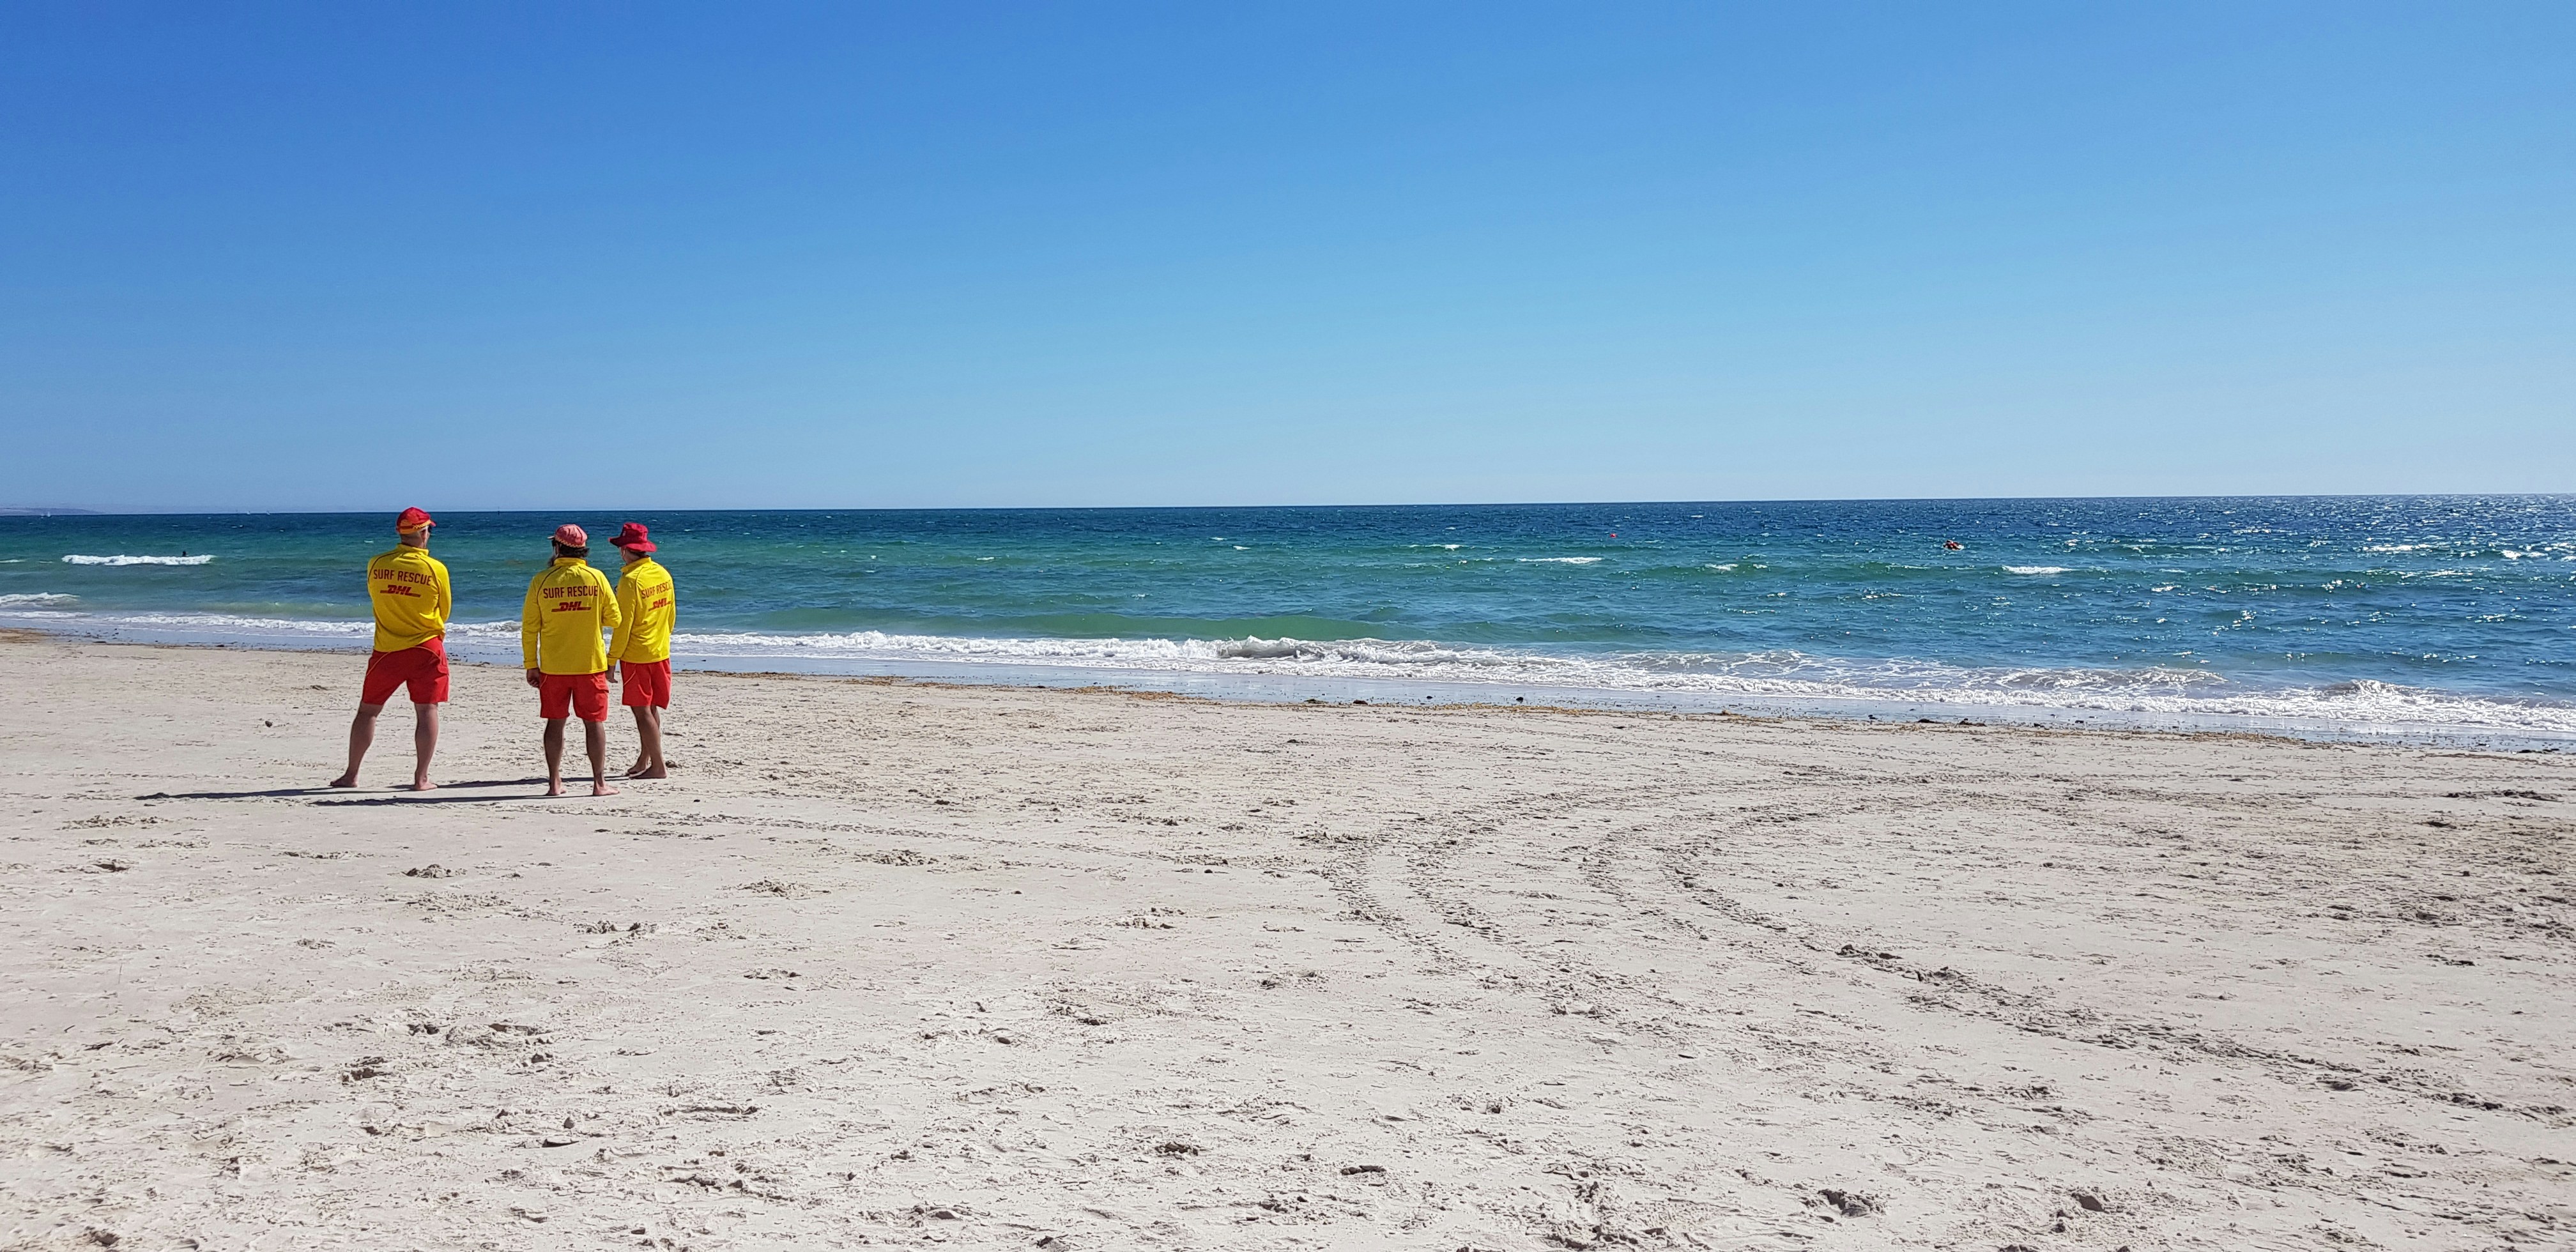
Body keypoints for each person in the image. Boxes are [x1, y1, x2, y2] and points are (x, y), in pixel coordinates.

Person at [331, 507, 450, 791]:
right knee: (427, 710)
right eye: (428, 530)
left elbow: (376, 596)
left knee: (368, 712)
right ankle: (421, 778)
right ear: (422, 533)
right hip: (426, 648)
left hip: (386, 648)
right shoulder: (435, 569)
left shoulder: (377, 563)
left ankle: (351, 774)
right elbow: (444, 611)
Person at [521, 524, 623, 797]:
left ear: (556, 548)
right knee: (594, 723)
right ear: (583, 550)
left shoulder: (541, 580)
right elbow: (615, 619)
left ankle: (555, 782)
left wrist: (531, 664)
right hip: (590, 665)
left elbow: (530, 627)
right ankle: (599, 783)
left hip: (554, 666)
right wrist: (589, 615)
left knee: (555, 723)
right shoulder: (596, 578)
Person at [606, 522, 677, 779]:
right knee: (651, 708)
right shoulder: (662, 573)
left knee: (641, 711)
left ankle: (658, 766)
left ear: (625, 550)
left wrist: (612, 660)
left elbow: (622, 627)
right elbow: (671, 617)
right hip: (660, 650)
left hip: (637, 653)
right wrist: (661, 640)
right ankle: (646, 759)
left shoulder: (630, 581)